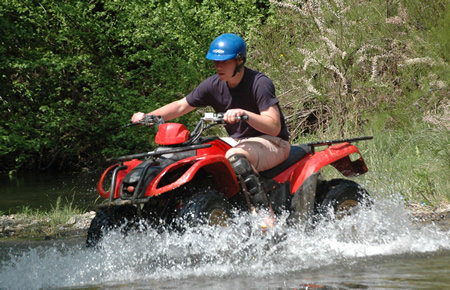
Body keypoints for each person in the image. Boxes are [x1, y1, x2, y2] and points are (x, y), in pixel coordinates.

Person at [131, 33, 290, 206]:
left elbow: (274, 126)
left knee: (236, 157)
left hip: (273, 142)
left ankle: (264, 215)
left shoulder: (259, 83)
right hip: (238, 141)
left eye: (224, 62)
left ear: (239, 60)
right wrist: (148, 117)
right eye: (216, 62)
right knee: (192, 153)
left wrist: (245, 114)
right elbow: (180, 106)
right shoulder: (213, 84)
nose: (218, 66)